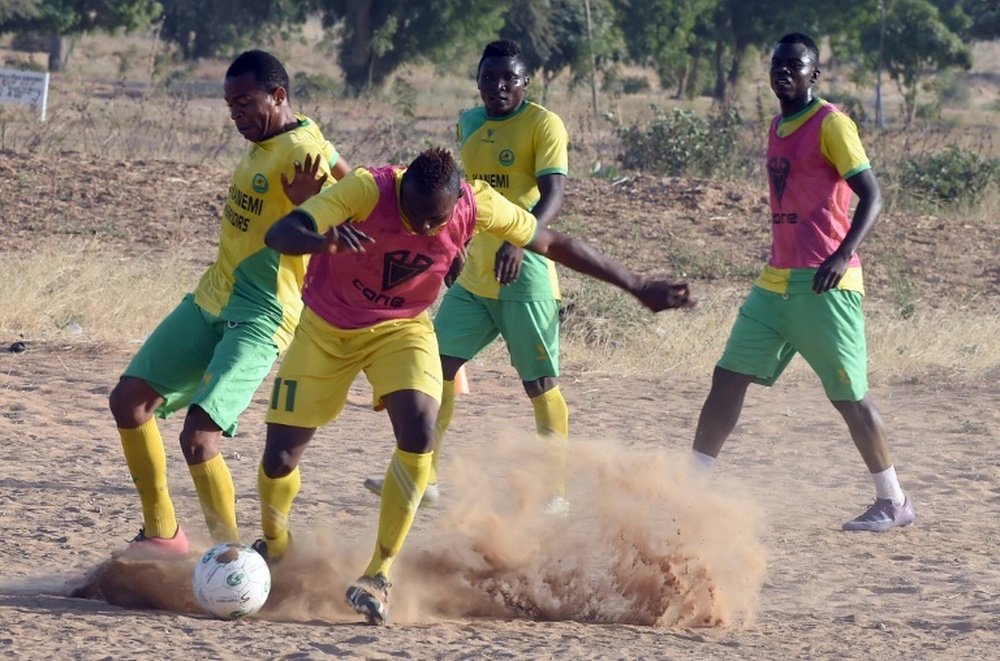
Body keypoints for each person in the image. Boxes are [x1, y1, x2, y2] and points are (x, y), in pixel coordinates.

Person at [253, 146, 695, 625]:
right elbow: (281, 232)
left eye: (434, 221)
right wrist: (323, 242)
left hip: (402, 329)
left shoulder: (474, 202)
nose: (424, 229)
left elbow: (553, 243)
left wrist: (636, 285)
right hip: (325, 331)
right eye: (415, 217)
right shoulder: (365, 188)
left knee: (420, 430)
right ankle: (276, 546)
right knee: (280, 459)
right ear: (402, 191)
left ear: (454, 202)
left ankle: (378, 574)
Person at [108, 49, 351, 555]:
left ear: (277, 95)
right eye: (230, 106)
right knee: (129, 402)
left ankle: (229, 557)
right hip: (212, 297)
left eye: (244, 103)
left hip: (261, 315)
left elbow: (358, 212)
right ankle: (162, 535)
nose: (236, 115)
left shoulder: (301, 148)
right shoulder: (278, 135)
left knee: (198, 439)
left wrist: (315, 204)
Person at [687, 33, 915, 532]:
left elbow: (872, 196)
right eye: (778, 64)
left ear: (814, 75)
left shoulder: (831, 124)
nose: (784, 71)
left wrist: (842, 255)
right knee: (728, 377)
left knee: (848, 396)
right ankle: (689, 490)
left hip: (826, 283)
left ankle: (894, 501)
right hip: (776, 281)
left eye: (796, 65)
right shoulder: (777, 124)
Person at [363, 39, 573, 511]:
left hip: (527, 276)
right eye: (489, 78)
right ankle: (425, 477)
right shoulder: (470, 122)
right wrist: (454, 247)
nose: (498, 87)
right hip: (475, 277)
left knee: (539, 384)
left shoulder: (543, 124)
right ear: (477, 80)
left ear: (524, 82)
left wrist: (520, 240)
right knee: (436, 367)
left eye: (509, 79)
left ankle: (556, 493)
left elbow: (555, 195)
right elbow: (462, 198)